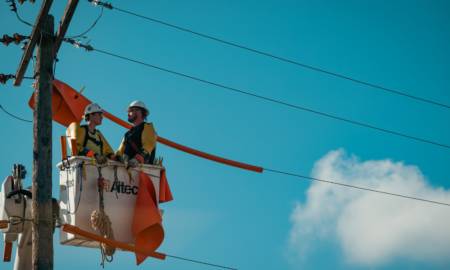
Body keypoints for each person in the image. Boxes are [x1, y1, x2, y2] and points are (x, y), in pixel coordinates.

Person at [115, 101, 157, 168]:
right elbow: (119, 152)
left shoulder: (147, 126)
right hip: (127, 170)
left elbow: (149, 143)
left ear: (139, 112)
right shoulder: (128, 134)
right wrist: (112, 157)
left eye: (130, 110)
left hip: (142, 169)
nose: (128, 113)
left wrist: (138, 159)